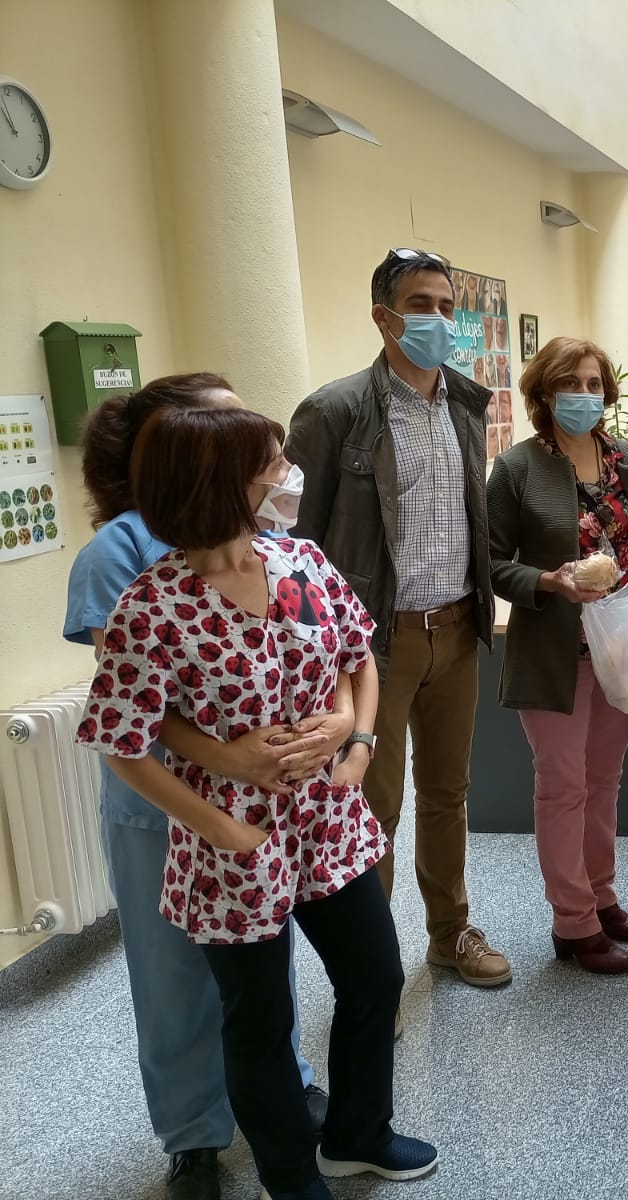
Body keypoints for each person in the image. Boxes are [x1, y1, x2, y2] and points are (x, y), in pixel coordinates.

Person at [77, 405, 436, 1200]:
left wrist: (358, 740)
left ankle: (358, 1134)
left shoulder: (302, 561)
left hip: (328, 819)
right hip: (230, 838)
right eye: (272, 465)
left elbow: (358, 656)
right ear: (219, 484)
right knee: (260, 1017)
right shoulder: (152, 606)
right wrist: (224, 831)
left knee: (374, 977)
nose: (287, 476)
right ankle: (287, 1174)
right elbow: (123, 742)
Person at [63, 375, 340, 1200]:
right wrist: (226, 761)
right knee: (173, 973)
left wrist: (330, 729)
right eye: (223, 423)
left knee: (263, 961)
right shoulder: (119, 552)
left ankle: (284, 1088)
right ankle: (193, 1137)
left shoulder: (266, 538)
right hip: (166, 803)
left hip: (270, 796)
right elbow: (131, 702)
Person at [288, 248, 511, 990]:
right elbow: (295, 545)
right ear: (384, 317)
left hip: (456, 628)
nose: (440, 320)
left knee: (449, 793)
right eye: (423, 305)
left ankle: (449, 934)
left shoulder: (468, 406)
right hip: (375, 646)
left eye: (449, 306)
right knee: (373, 805)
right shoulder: (336, 412)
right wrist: (317, 658)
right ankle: (372, 968)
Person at [486, 337, 628, 975]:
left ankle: (601, 894)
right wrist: (549, 582)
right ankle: (572, 922)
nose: (585, 396)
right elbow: (491, 564)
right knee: (562, 787)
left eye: (594, 383)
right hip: (556, 653)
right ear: (543, 394)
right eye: (571, 384)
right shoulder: (516, 470)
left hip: (622, 646)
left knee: (605, 782)